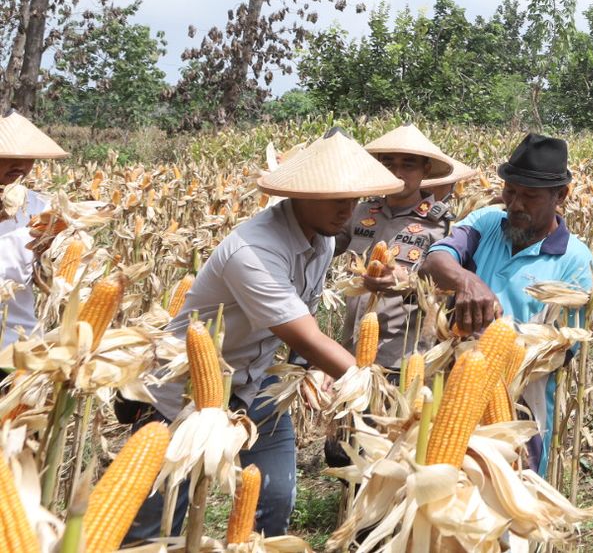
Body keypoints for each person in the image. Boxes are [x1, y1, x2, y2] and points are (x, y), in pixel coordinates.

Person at [127, 129, 398, 540]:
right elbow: (305, 335)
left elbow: (300, 323)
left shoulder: (320, 240)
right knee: (158, 518)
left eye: (353, 198)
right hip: (185, 390)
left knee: (273, 503)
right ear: (299, 194)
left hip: (258, 382)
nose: (348, 210)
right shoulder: (254, 251)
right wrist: (382, 392)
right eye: (335, 198)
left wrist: (312, 370)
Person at [420, 133, 593, 474]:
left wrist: (498, 349)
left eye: (529, 196)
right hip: (454, 392)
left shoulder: (576, 261)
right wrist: (468, 281)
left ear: (561, 196)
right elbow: (435, 260)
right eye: (509, 191)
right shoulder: (486, 224)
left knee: (510, 505)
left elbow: (563, 348)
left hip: (520, 408)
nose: (514, 204)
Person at [337, 124, 456, 369]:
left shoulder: (441, 226)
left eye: (408, 165)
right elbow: (320, 245)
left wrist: (406, 284)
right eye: (388, 163)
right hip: (350, 354)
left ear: (426, 169)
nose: (397, 172)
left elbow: (447, 293)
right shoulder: (360, 212)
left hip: (400, 361)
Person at [0, 111, 67, 347]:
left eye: (29, 156)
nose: (21, 164)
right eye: (7, 156)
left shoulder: (45, 210)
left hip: (17, 349)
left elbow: (56, 283)